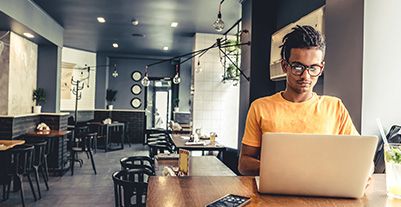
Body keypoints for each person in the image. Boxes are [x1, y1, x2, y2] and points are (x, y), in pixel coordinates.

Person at [238, 25, 359, 176]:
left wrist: (365, 170)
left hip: (322, 193)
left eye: (313, 68)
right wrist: (285, 171)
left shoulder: (335, 107)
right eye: (297, 67)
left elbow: (360, 158)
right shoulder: (260, 107)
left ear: (321, 68)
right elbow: (244, 164)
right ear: (284, 66)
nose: (305, 77)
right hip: (275, 194)